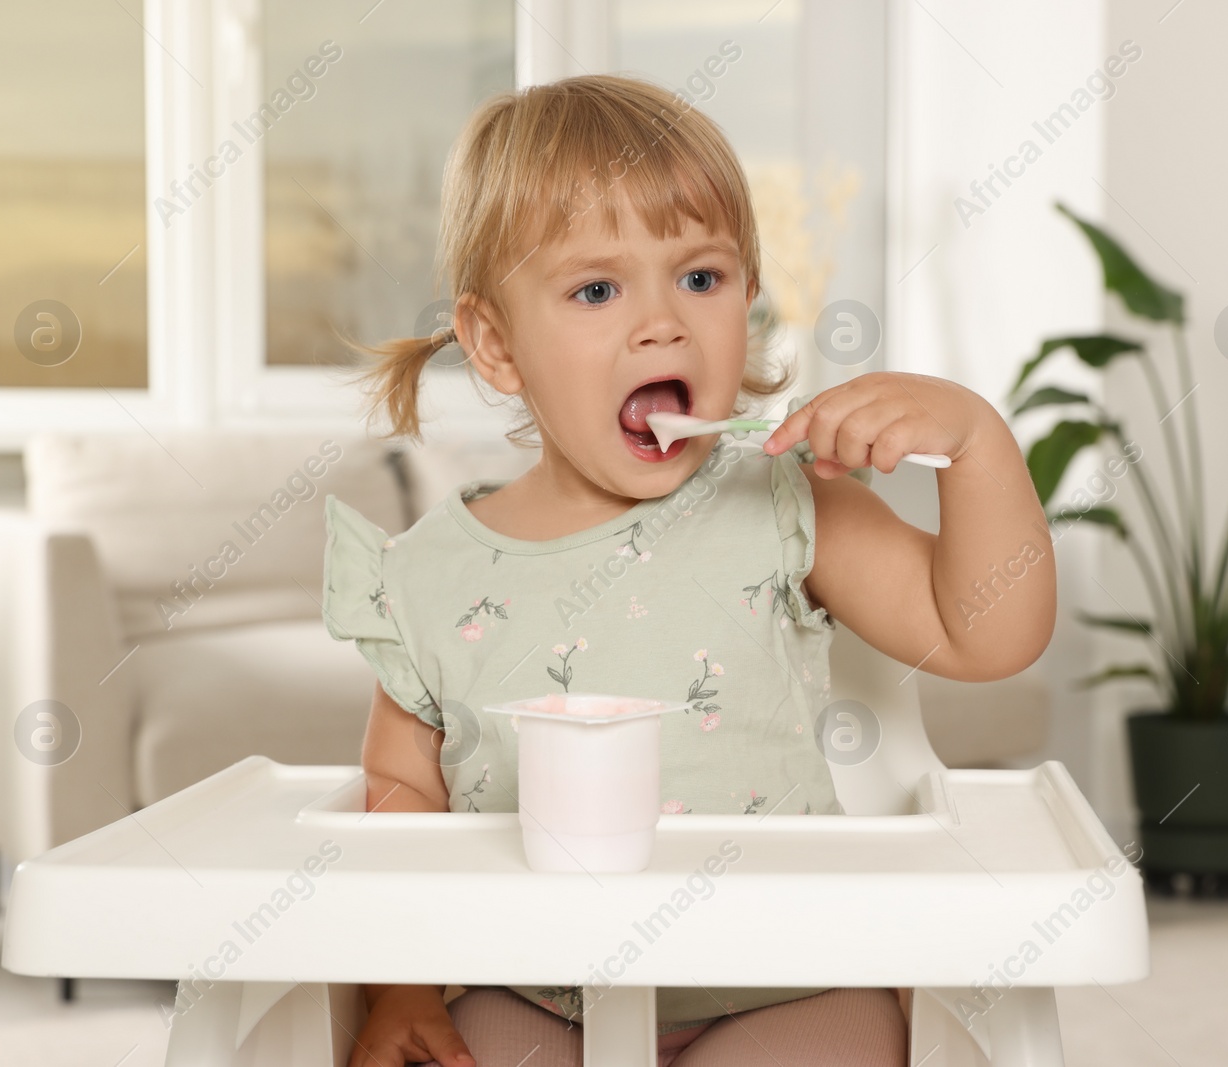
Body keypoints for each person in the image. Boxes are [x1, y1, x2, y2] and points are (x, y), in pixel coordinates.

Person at [322, 72, 1056, 1067]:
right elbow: (399, 797)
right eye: (595, 288)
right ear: (495, 342)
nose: (661, 323)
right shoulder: (425, 574)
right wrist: (402, 987)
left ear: (749, 302)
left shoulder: (786, 503)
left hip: (785, 981)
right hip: (540, 989)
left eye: (701, 279)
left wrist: (976, 445)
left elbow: (987, 631)